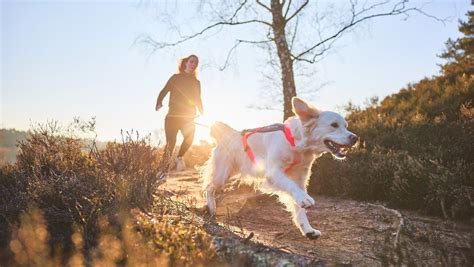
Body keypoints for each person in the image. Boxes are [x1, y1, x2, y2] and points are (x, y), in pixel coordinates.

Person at [155, 54, 204, 173]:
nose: (193, 65)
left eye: (196, 63)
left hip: (188, 117)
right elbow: (164, 90)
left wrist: (201, 110)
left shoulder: (196, 82)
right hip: (172, 116)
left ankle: (179, 157)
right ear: (186, 63)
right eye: (192, 62)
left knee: (190, 137)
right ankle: (162, 171)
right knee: (170, 144)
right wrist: (159, 102)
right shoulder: (175, 78)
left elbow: (198, 98)